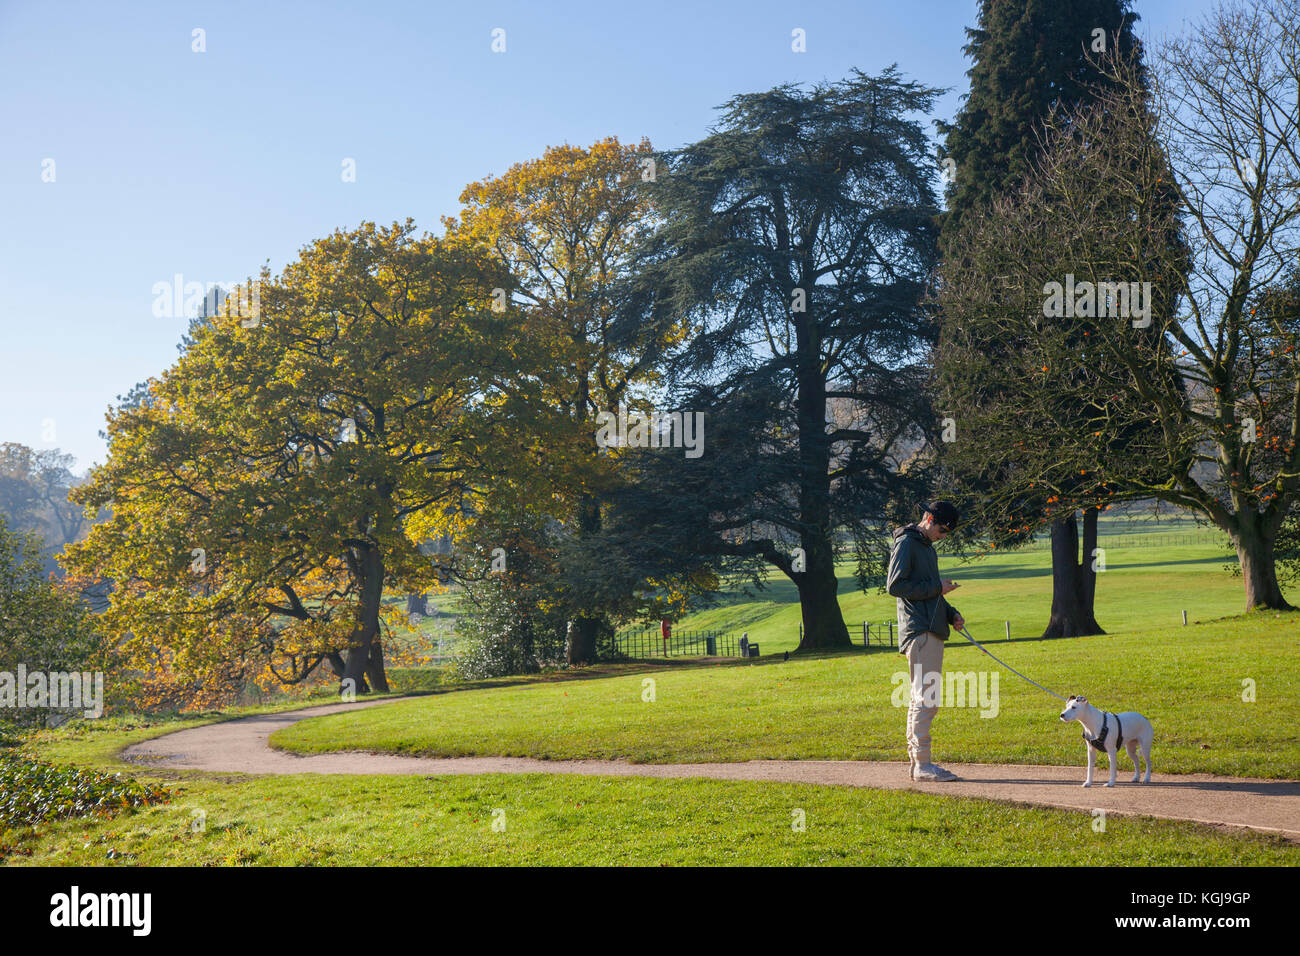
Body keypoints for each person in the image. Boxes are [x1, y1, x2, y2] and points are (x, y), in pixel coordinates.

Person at [887, 500, 965, 783]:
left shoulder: (925, 547)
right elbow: (895, 586)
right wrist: (937, 587)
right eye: (942, 530)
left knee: (923, 697)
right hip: (919, 631)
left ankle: (920, 763)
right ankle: (922, 765)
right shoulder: (907, 543)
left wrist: (951, 614)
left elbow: (931, 594)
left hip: (931, 627)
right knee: (926, 698)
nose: (943, 537)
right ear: (929, 518)